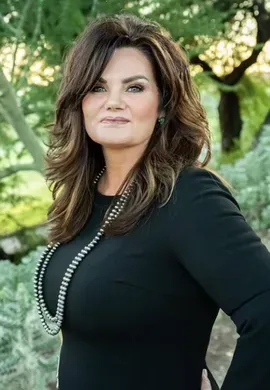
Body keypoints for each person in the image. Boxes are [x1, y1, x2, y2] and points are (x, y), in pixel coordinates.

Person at [33, 13, 270, 390]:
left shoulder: (188, 197)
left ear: (163, 105)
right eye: (96, 87)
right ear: (80, 102)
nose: (113, 102)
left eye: (134, 88)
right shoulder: (83, 196)